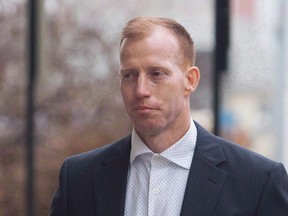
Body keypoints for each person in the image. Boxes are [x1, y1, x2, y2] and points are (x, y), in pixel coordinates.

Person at [50, 17, 288, 216]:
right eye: (129, 75)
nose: (141, 90)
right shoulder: (79, 178)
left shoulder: (258, 182)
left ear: (190, 80)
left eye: (157, 73)